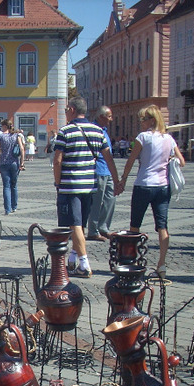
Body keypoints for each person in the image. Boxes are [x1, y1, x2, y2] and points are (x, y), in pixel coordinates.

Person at [117, 104, 185, 279]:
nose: (141, 122)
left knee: (135, 226)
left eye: (143, 119)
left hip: (144, 184)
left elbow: (131, 160)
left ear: (151, 120)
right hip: (162, 187)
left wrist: (123, 179)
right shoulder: (169, 139)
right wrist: (168, 158)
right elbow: (182, 161)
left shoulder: (143, 137)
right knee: (162, 227)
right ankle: (161, 265)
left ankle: (133, 262)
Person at [54, 96, 118, 278]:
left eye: (67, 109)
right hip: (90, 185)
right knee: (80, 224)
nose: (66, 113)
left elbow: (58, 161)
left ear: (72, 110)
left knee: (74, 225)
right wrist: (117, 180)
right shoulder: (98, 131)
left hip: (71, 186)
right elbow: (109, 158)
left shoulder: (65, 131)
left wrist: (57, 182)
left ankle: (84, 263)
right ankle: (72, 260)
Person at [87, 106, 117, 241]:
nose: (111, 119)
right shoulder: (93, 129)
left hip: (107, 170)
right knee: (96, 202)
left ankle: (104, 227)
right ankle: (93, 230)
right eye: (109, 116)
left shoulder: (105, 131)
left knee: (110, 199)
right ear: (101, 116)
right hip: (97, 170)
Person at [0, 119, 24, 215]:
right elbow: (22, 149)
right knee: (14, 185)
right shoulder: (16, 136)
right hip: (14, 163)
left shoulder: (0, 137)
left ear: (4, 126)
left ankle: (7, 209)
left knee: (6, 186)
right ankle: (14, 206)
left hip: (3, 163)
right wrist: (22, 163)